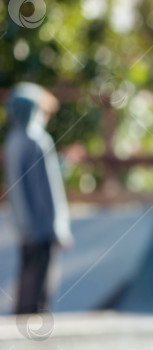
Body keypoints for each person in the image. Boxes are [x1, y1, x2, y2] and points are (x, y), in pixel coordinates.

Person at [3, 83, 73, 315]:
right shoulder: (37, 140)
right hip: (42, 225)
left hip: (23, 223)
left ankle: (22, 318)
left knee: (27, 275)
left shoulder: (12, 141)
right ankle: (33, 323)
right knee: (40, 279)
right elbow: (47, 187)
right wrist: (58, 226)